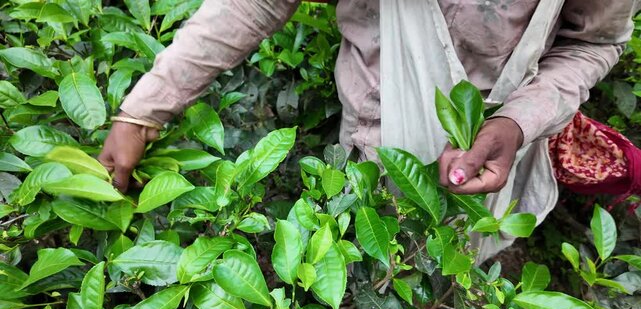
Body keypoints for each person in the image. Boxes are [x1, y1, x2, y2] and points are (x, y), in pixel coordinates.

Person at [99, 1, 637, 248]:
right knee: (380, 250)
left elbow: (592, 42)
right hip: (372, 130)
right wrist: (143, 109)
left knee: (461, 263)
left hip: (499, 144)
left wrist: (519, 123)